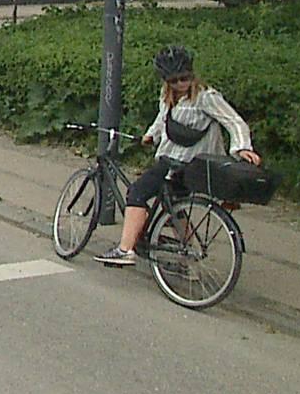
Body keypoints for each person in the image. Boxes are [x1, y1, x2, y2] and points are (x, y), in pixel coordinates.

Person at [98, 45, 260, 265]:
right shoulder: (168, 96)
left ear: (192, 74)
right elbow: (163, 119)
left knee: (137, 193)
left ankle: (124, 250)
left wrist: (242, 148)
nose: (181, 84)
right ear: (166, 81)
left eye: (185, 78)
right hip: (171, 159)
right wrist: (150, 136)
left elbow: (234, 121)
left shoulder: (206, 97)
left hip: (187, 164)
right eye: (174, 80)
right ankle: (190, 256)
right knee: (173, 205)